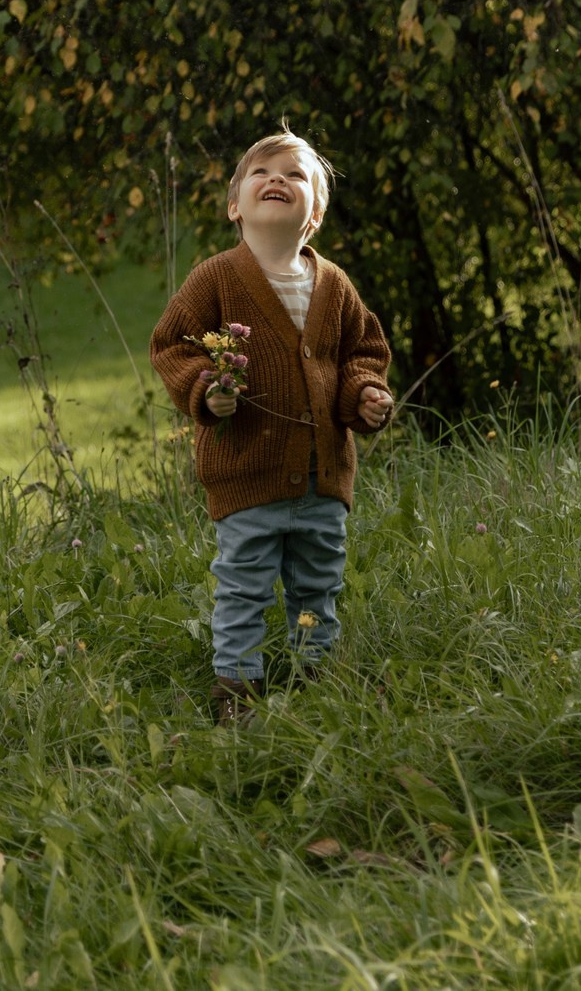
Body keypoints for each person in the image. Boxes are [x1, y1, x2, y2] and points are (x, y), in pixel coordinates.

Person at [149, 131, 395, 723]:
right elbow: (171, 345)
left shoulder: (334, 286)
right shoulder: (216, 279)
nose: (277, 180)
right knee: (244, 587)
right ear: (236, 204)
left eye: (295, 175)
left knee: (317, 587)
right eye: (261, 172)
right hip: (246, 474)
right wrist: (206, 390)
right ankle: (238, 693)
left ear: (315, 214)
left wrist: (364, 394)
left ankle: (314, 679)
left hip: (322, 477)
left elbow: (363, 351)